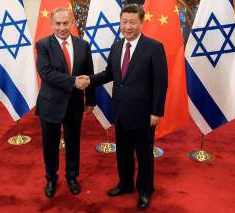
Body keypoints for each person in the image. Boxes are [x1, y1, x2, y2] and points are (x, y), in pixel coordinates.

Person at [84, 4, 168, 209]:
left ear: (141, 22)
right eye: (124, 22)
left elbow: (160, 82)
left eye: (132, 22)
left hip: (144, 114)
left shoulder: (154, 47)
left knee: (144, 154)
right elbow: (109, 74)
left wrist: (156, 111)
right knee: (123, 152)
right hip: (120, 111)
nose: (127, 26)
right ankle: (125, 184)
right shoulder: (117, 46)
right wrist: (89, 80)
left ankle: (145, 190)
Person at [35, 8, 95, 198]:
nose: (62, 27)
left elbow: (89, 75)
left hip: (74, 104)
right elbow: (46, 73)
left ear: (72, 23)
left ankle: (72, 177)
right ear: (52, 24)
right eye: (58, 24)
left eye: (65, 23)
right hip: (50, 104)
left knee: (73, 143)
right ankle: (51, 178)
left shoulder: (83, 45)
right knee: (50, 145)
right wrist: (73, 82)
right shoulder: (43, 45)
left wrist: (90, 100)